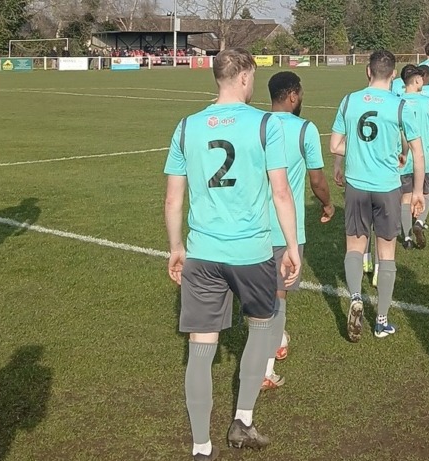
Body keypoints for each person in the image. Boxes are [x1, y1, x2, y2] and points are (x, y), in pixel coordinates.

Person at [164, 49, 301, 459]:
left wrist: (176, 247)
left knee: (200, 349)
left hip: (203, 253)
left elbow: (173, 198)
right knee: (263, 327)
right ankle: (242, 420)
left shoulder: (186, 127)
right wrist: (292, 247)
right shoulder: (265, 124)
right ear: (243, 78)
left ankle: (201, 446)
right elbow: (280, 191)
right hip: (252, 251)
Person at [330, 50, 426, 342]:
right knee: (386, 253)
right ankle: (381, 320)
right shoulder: (400, 106)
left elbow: (335, 144)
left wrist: (350, 157)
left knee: (355, 247)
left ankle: (356, 297)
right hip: (386, 187)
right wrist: (419, 191)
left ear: (367, 72)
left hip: (356, 185)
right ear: (394, 75)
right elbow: (418, 154)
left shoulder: (349, 100)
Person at [262, 71, 334, 390]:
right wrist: (328, 205)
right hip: (283, 227)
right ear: (292, 95)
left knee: (260, 295)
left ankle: (276, 338)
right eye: (300, 93)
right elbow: (317, 180)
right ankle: (266, 367)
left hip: (251, 225)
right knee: (277, 296)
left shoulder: (257, 125)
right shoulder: (305, 128)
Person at [399, 65, 429, 250]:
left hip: (404, 159)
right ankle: (420, 221)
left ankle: (406, 237)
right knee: (426, 193)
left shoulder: (397, 102)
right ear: (416, 80)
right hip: (423, 157)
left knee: (405, 198)